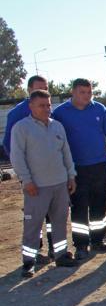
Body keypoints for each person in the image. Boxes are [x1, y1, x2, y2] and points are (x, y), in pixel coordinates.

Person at [10, 90, 78, 277]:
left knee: (59, 222)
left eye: (48, 105)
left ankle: (61, 255)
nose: (47, 108)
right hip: (36, 188)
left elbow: (66, 153)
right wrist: (26, 180)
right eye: (42, 105)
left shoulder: (57, 127)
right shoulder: (21, 128)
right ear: (31, 106)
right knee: (33, 225)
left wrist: (71, 176)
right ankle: (29, 261)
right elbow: (17, 157)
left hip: (60, 184)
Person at [52, 78, 106, 259]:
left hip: (99, 165)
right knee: (79, 207)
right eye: (82, 92)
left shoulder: (99, 109)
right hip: (76, 169)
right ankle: (81, 244)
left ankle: (98, 239)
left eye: (89, 92)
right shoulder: (60, 113)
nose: (87, 96)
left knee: (100, 204)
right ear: (73, 92)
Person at [4, 75, 55, 259]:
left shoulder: (50, 112)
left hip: (52, 176)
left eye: (46, 87)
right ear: (29, 91)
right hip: (32, 177)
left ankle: (54, 248)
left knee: (53, 214)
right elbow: (10, 147)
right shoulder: (17, 115)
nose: (43, 91)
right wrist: (25, 175)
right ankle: (34, 253)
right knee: (34, 216)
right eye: (38, 88)